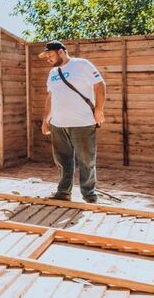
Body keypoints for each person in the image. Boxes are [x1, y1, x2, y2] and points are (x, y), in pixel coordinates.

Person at [40, 41, 106, 203]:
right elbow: (50, 97)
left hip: (82, 122)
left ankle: (89, 195)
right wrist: (45, 120)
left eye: (50, 55)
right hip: (58, 124)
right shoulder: (53, 72)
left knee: (86, 160)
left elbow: (100, 85)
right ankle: (63, 193)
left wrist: (99, 110)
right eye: (46, 56)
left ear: (61, 52)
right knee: (62, 161)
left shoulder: (82, 64)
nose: (48, 58)